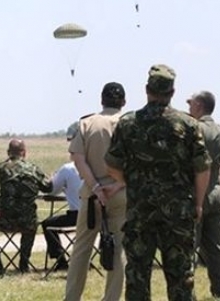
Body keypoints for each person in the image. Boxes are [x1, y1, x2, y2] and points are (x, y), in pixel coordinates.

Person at [106, 65, 210, 301]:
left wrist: (130, 183)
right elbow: (202, 169)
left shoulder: (128, 123)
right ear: (172, 92)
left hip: (140, 211)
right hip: (178, 211)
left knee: (138, 276)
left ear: (146, 90)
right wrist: (198, 203)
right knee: (181, 276)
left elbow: (111, 165)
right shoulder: (189, 125)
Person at [65, 82, 128, 301]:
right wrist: (118, 185)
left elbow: (78, 159)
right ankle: (111, 298)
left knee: (82, 248)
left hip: (92, 194)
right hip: (120, 192)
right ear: (123, 102)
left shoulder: (86, 123)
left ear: (102, 100)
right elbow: (136, 163)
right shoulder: (128, 124)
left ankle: (72, 297)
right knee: (120, 249)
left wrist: (96, 187)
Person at [0, 139, 52, 274]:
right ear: (24, 152)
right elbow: (48, 187)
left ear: (8, 152)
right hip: (27, 223)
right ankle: (24, 264)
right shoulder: (33, 169)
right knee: (31, 223)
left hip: (2, 222)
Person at [187, 90, 220, 299]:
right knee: (217, 245)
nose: (188, 108)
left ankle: (187, 290)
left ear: (199, 106)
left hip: (197, 191)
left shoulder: (194, 128)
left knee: (189, 246)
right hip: (215, 190)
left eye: (191, 104)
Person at [41, 141, 83, 271]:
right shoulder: (97, 166)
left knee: (47, 224)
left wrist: (54, 178)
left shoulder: (67, 168)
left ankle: (60, 259)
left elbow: (52, 190)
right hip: (97, 216)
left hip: (76, 216)